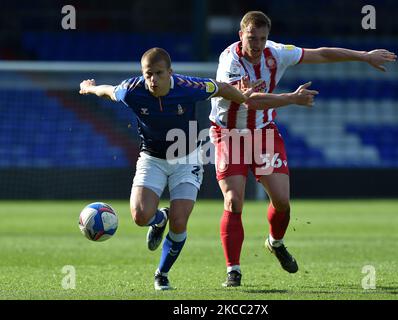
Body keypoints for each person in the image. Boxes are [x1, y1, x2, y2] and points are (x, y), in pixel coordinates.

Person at [79, 47, 318, 290]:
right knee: (141, 217)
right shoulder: (132, 90)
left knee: (180, 220)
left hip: (187, 159)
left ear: (170, 72)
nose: (152, 79)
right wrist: (89, 88)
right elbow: (108, 91)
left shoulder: (188, 87)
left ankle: (162, 273)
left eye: (159, 73)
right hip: (151, 159)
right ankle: (160, 218)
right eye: (148, 74)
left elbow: (221, 88)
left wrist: (243, 96)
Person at [210, 11, 397, 287]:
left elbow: (320, 54)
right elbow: (249, 101)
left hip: (263, 133)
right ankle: (233, 271)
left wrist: (363, 55)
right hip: (229, 134)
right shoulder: (230, 60)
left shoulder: (276, 52)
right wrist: (291, 99)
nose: (258, 44)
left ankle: (275, 243)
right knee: (234, 201)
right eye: (252, 38)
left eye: (262, 38)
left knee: (282, 202)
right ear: (241, 35)